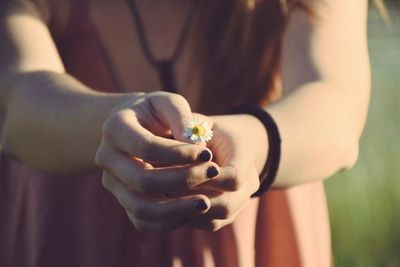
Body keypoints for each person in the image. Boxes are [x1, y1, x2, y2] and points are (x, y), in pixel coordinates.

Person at [0, 0, 370, 266]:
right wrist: (112, 124)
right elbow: (18, 102)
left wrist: (253, 145)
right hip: (75, 242)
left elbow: (335, 110)